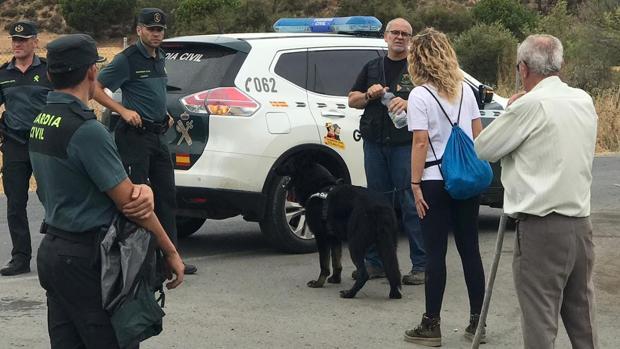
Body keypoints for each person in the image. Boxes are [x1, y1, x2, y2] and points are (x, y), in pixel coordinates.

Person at [31, 33, 184, 349]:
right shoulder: (88, 131)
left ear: (50, 74)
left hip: (55, 250)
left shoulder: (42, 120)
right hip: (89, 258)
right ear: (91, 72)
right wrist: (168, 249)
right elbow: (131, 204)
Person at [475, 34, 598, 349]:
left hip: (541, 226)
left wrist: (511, 110)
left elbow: (484, 149)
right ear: (560, 65)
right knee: (583, 318)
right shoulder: (583, 99)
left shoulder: (529, 105)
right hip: (580, 224)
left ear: (523, 69)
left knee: (540, 322)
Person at [93, 8, 197, 275]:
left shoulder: (160, 57)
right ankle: (137, 260)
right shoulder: (128, 59)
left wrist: (167, 115)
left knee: (166, 196)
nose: (156, 34)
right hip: (134, 137)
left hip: (157, 135)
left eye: (160, 30)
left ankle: (170, 258)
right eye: (151, 29)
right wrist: (123, 111)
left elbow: (155, 94)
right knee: (137, 199)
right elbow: (95, 88)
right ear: (139, 30)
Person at [402, 28, 486, 347]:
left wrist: (414, 183)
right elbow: (478, 134)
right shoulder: (466, 90)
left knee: (436, 252)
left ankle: (431, 325)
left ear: (418, 59)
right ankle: (477, 322)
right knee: (470, 249)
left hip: (434, 180)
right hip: (465, 181)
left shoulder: (420, 95)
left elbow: (420, 141)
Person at [348, 18, 426, 285]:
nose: (400, 37)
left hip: (405, 145)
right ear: (386, 36)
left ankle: (421, 265)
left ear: (411, 40)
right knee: (375, 205)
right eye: (395, 32)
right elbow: (352, 100)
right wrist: (369, 95)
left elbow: (434, 101)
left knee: (410, 204)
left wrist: (410, 101)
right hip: (374, 144)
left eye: (405, 34)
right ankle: (374, 263)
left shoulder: (418, 70)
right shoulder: (372, 67)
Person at [0, 20, 52, 276]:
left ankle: (57, 251)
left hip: (45, 144)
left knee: (53, 196)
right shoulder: (4, 74)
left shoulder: (48, 71)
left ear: (35, 42)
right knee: (15, 203)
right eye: (14, 40)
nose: (17, 44)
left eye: (23, 40)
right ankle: (20, 258)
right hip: (14, 144)